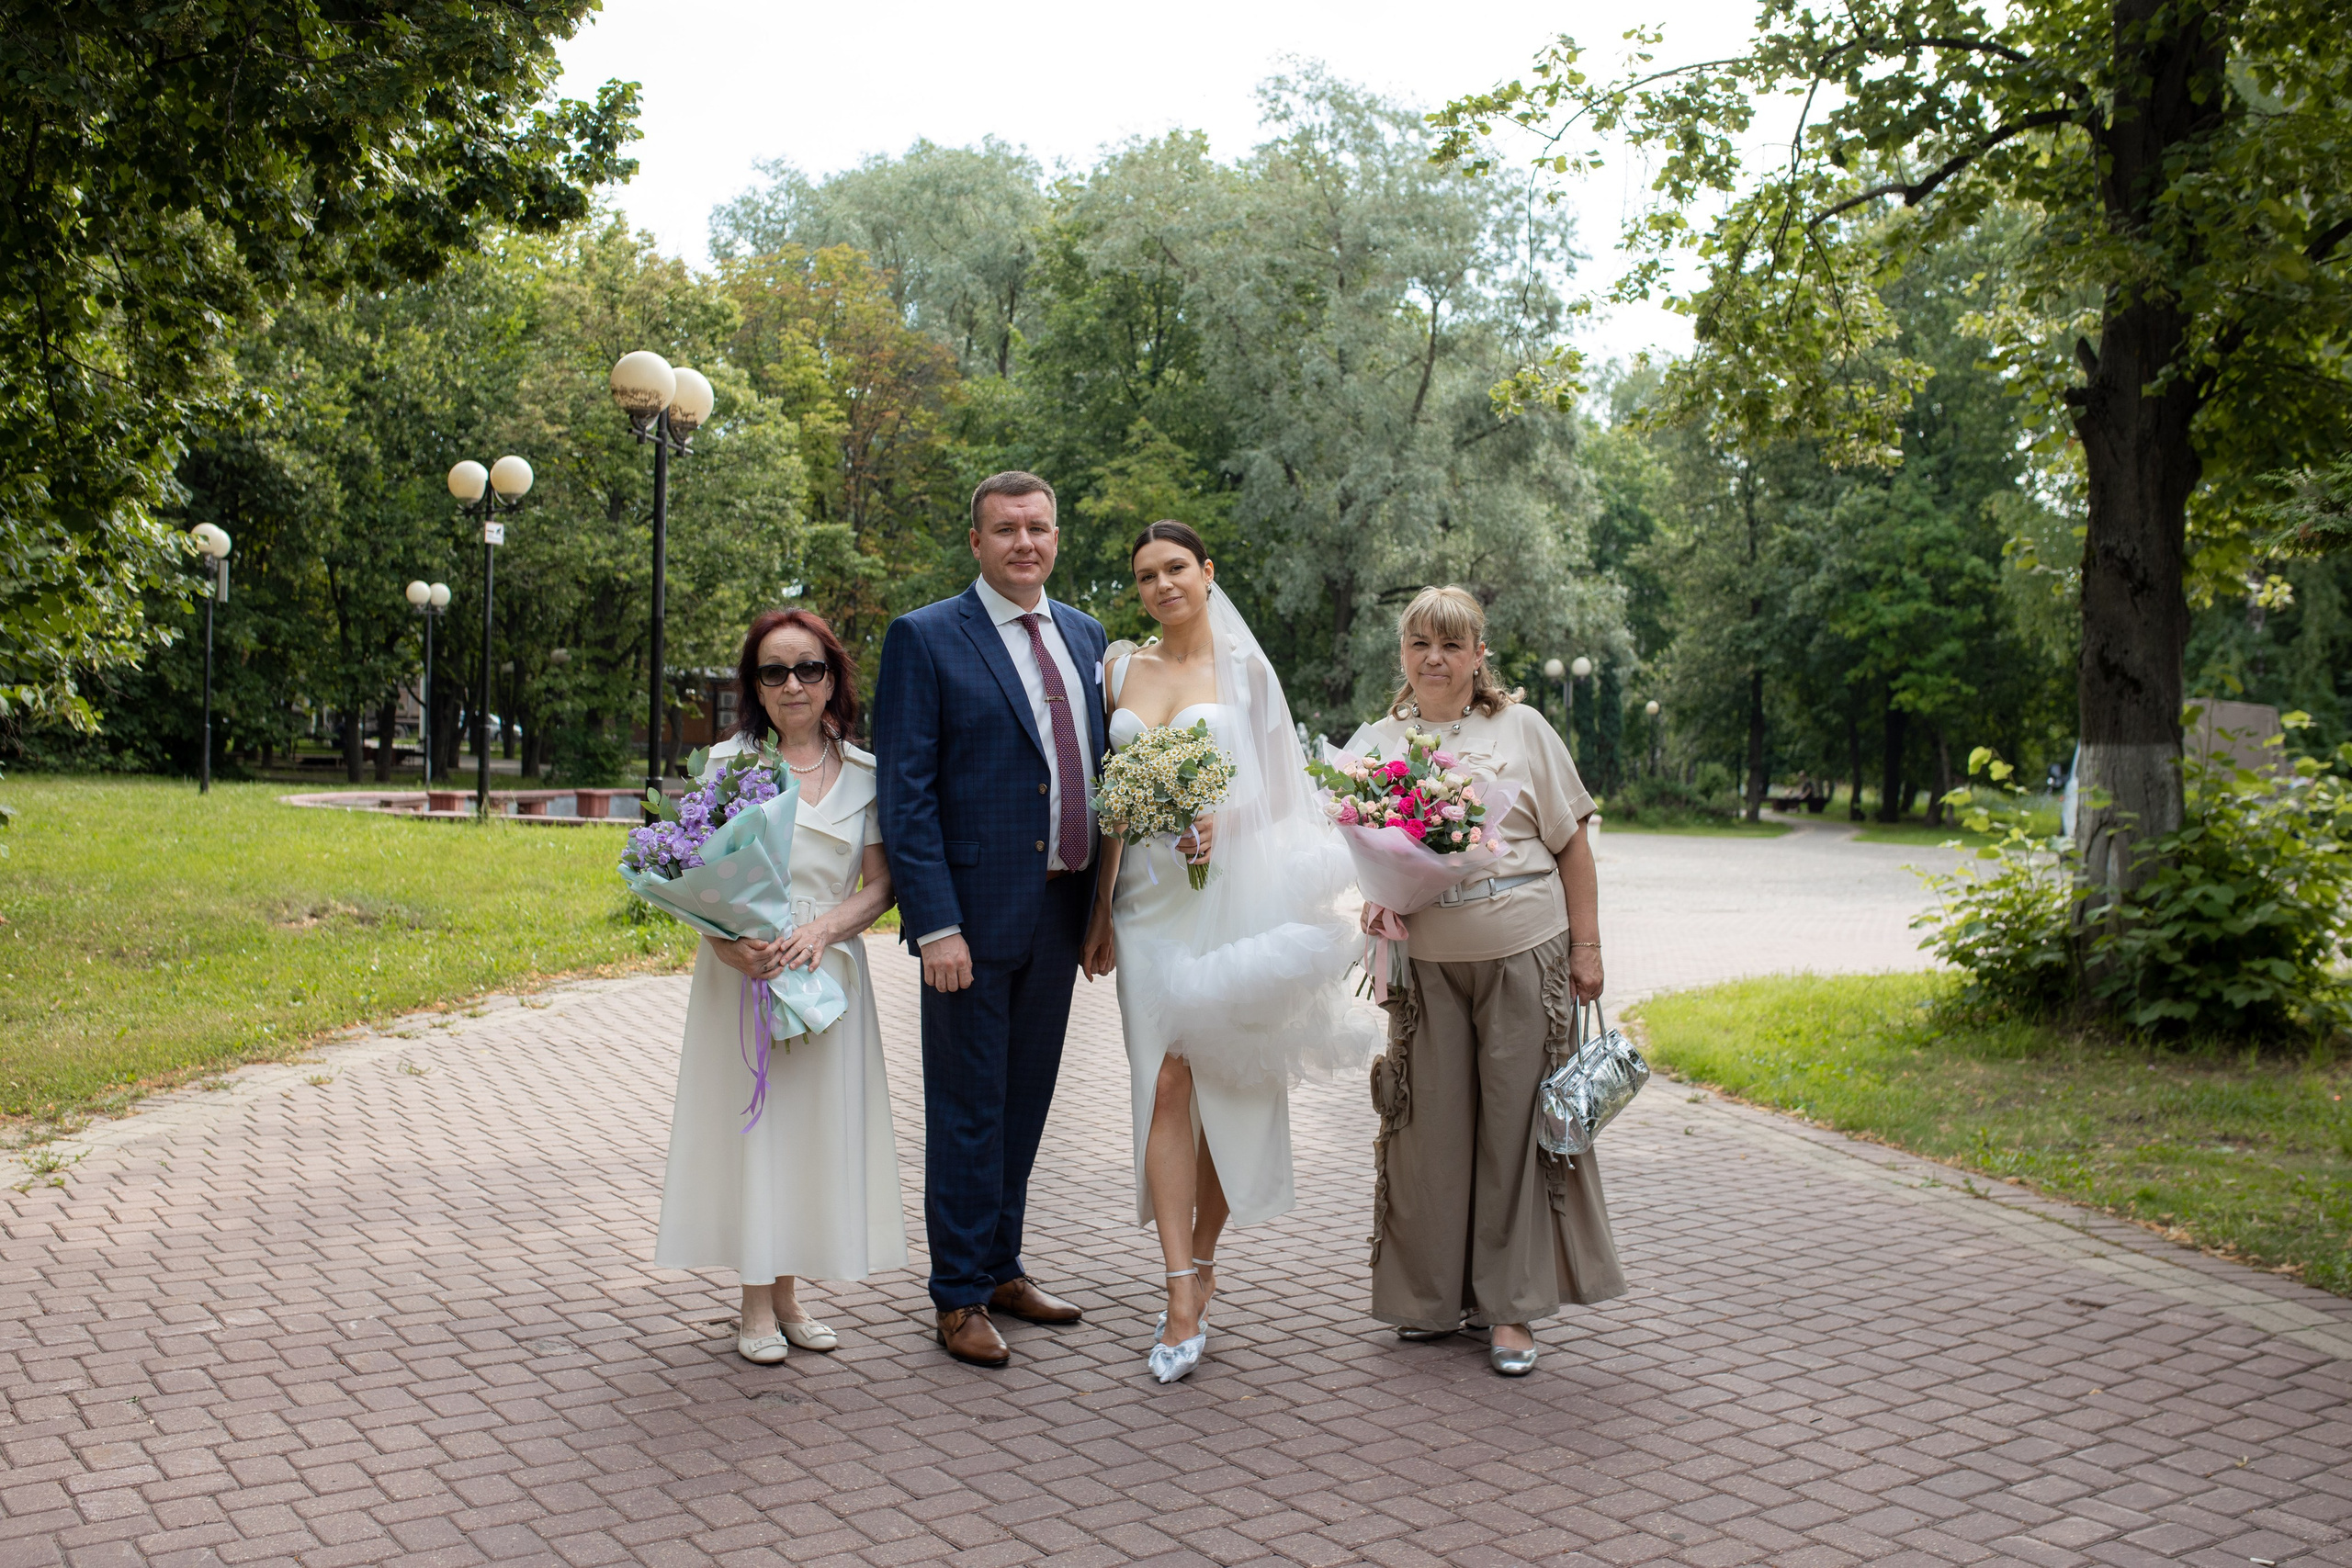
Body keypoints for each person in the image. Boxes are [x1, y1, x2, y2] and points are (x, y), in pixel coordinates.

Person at [1080, 522, 1370, 1384]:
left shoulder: (1247, 670)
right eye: (1146, 575)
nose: (1162, 585)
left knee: (1215, 1078)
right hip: (1145, 905)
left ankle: (1201, 1261)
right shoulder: (1118, 670)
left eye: (1176, 568)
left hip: (1227, 893)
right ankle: (1179, 1287)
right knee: (1163, 1083)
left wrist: (1222, 820)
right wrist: (1099, 910)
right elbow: (1114, 803)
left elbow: (1285, 790)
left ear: (1207, 572)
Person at [1347, 585, 1624, 1377]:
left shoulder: (1523, 727)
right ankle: (1430, 1298)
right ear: (1403, 654)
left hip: (1523, 950)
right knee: (1426, 1131)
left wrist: (1587, 947)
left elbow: (1572, 845)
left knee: (1514, 1128)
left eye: (1451, 644)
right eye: (1420, 643)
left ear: (1478, 655)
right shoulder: (1379, 741)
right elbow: (1365, 847)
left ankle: (1510, 1308)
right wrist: (1378, 896)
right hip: (1426, 965)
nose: (1434, 658)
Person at [874, 471, 1109, 1370]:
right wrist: (935, 924)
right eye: (1005, 529)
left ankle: (1003, 1266)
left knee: (1024, 1104)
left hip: (1059, 909)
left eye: (1037, 528)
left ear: (1056, 537)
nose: (1024, 543)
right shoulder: (927, 637)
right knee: (967, 1109)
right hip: (969, 922)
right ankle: (959, 1294)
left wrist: (1104, 910)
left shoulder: (1085, 636)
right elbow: (907, 794)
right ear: (976, 542)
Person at [654, 608, 903, 1364]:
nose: (793, 683)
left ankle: (790, 1296)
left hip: (825, 971)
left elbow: (882, 883)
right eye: (774, 670)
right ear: (755, 686)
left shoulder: (865, 772)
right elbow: (688, 872)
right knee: (756, 1132)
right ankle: (754, 1304)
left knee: (807, 1134)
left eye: (808, 668)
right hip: (746, 971)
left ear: (832, 679)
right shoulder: (726, 765)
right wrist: (726, 944)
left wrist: (824, 931)